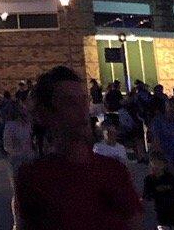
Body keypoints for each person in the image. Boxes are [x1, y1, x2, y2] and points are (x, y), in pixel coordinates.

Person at [13, 65, 143, 230]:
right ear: (45, 113)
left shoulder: (113, 171)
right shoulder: (33, 178)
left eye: (84, 100)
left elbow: (134, 222)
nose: (82, 111)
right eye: (69, 102)